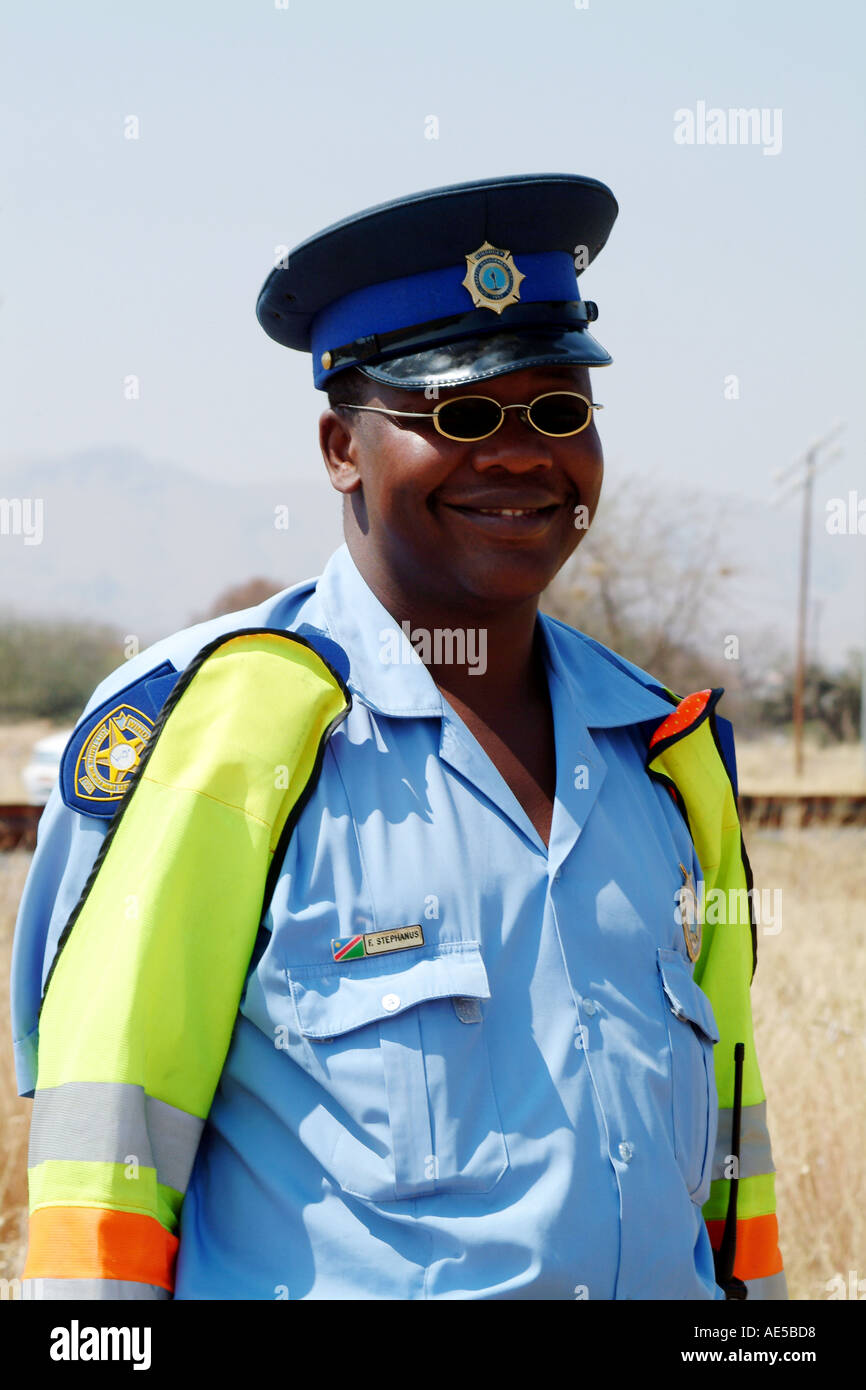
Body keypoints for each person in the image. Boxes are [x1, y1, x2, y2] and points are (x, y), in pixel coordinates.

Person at [10, 173, 786, 1300]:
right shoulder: (222, 736)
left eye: (557, 411)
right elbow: (104, 1186)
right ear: (340, 446)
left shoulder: (663, 752)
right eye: (460, 415)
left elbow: (728, 1172)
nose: (521, 455)